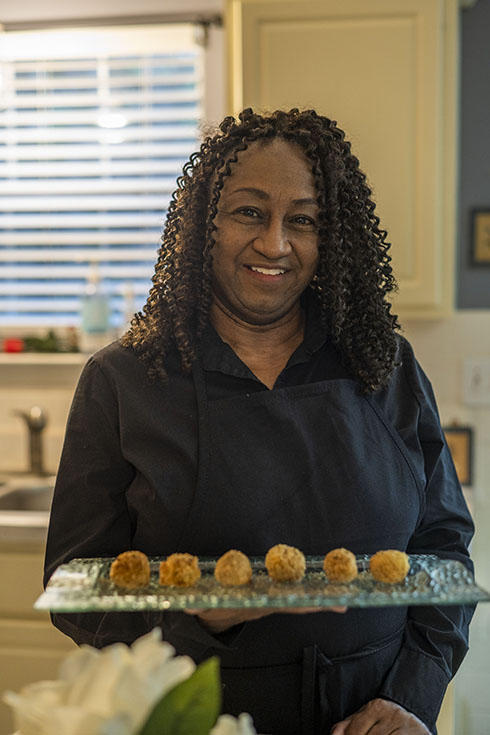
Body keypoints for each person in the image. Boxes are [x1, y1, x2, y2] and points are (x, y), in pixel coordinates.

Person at [44, 108, 475, 735]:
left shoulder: (384, 366)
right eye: (250, 212)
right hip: (200, 714)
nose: (275, 244)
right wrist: (189, 618)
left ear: (330, 240)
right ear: (204, 225)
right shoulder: (123, 381)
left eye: (302, 221)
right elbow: (74, 584)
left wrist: (413, 696)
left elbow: (443, 551)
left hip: (373, 716)